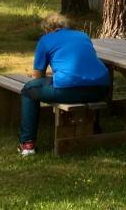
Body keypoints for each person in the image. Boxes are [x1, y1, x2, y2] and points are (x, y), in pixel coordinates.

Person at [18, 13, 111, 156]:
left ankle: (27, 143)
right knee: (86, 83)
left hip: (68, 91)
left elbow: (37, 77)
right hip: (101, 88)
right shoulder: (82, 35)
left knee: (29, 90)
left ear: (48, 29)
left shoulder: (46, 39)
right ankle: (95, 127)